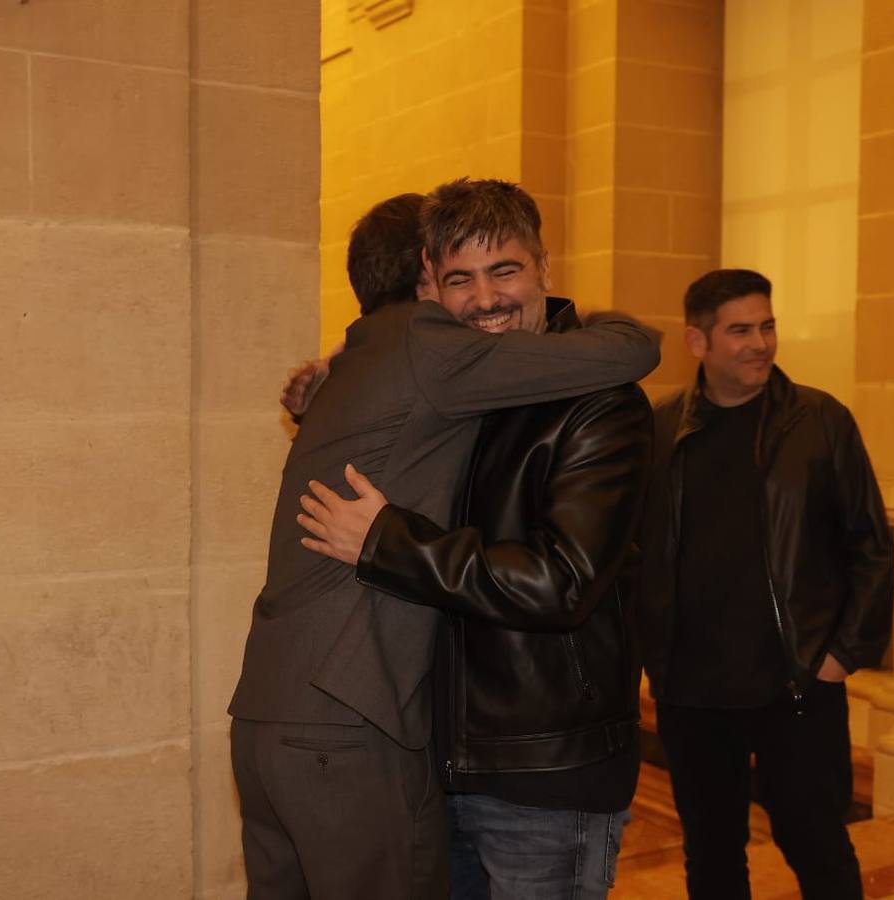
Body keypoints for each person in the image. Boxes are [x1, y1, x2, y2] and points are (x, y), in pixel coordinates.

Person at [228, 189, 661, 900]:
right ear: (428, 281)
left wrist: (386, 539)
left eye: (507, 271)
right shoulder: (444, 369)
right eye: (461, 278)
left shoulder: (593, 401)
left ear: (545, 266)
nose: (486, 297)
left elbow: (563, 582)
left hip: (542, 767)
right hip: (429, 749)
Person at [636, 268, 894, 899]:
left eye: (768, 325)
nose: (760, 343)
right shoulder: (661, 430)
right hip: (693, 692)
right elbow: (637, 553)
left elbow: (871, 545)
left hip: (798, 684)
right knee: (714, 854)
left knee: (817, 845)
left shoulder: (820, 420)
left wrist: (839, 658)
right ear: (697, 342)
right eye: (741, 330)